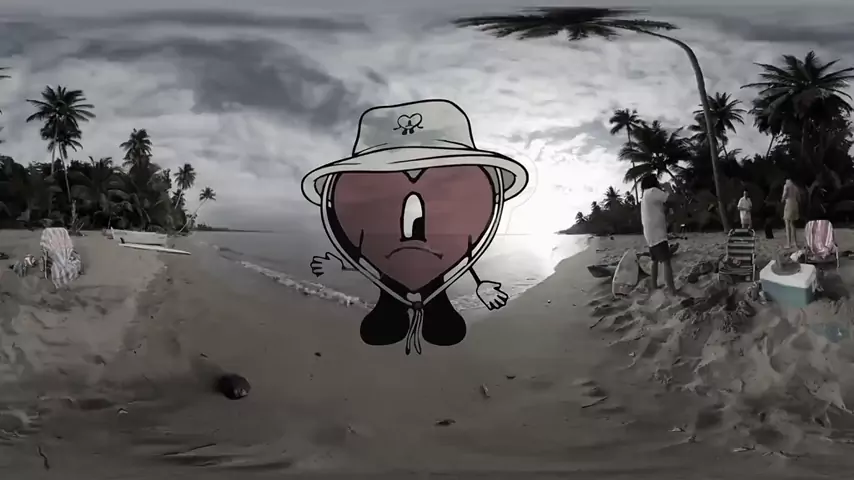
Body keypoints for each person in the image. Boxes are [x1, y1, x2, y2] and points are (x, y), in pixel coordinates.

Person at [640, 175, 679, 295]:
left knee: (655, 260)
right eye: (657, 181)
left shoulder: (645, 195)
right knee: (666, 262)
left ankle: (654, 286)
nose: (658, 183)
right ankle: (672, 290)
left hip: (649, 233)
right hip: (657, 233)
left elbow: (660, 209)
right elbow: (672, 198)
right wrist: (668, 188)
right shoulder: (653, 191)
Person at [782, 179, 799, 248]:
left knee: (787, 223)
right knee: (793, 224)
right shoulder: (795, 187)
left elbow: (785, 194)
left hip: (788, 204)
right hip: (795, 204)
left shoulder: (786, 186)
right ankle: (795, 242)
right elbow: (799, 198)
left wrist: (782, 199)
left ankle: (788, 243)